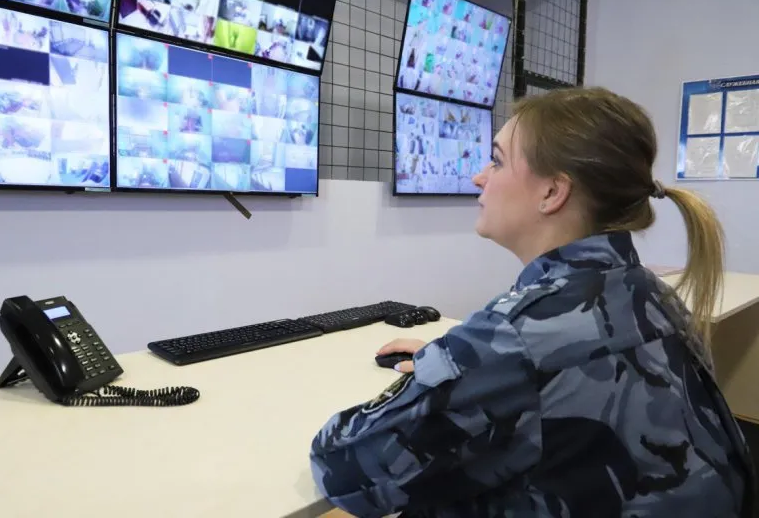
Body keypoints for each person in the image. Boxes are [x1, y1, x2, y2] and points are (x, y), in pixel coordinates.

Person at [309, 87, 756, 517]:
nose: (479, 177)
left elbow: (343, 470)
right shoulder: (652, 292)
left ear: (552, 193)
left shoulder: (515, 338)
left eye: (497, 161)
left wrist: (447, 370)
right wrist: (459, 363)